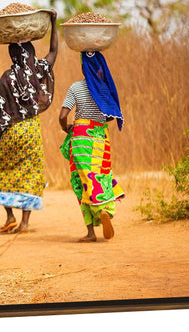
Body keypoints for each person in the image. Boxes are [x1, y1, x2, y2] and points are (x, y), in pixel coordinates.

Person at [0, 11, 58, 234]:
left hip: (11, 131)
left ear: (12, 54)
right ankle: (25, 223)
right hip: (30, 130)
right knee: (30, 173)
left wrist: (1, 132)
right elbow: (54, 51)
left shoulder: (6, 77)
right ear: (31, 52)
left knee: (3, 171)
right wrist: (54, 22)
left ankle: (9, 215)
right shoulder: (39, 71)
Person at [59, 51, 125, 242]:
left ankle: (91, 230)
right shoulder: (105, 89)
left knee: (81, 181)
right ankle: (106, 210)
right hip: (100, 138)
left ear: (83, 68)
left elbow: (63, 116)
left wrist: (67, 128)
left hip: (81, 138)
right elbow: (112, 114)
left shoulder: (76, 88)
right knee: (102, 176)